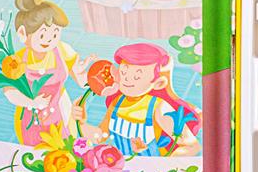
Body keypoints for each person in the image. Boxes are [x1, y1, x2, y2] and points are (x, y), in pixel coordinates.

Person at [72, 43, 201, 156]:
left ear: (158, 83)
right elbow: (100, 136)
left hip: (153, 167)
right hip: (122, 167)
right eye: (124, 72)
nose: (127, 79)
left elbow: (192, 146)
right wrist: (81, 123)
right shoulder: (117, 103)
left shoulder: (159, 107)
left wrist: (168, 165)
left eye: (137, 76)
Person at [3, 0, 95, 145]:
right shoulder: (16, 61)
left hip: (61, 113)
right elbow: (9, 91)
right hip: (31, 118)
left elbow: (81, 81)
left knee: (65, 148)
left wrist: (86, 73)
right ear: (23, 34)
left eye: (55, 33)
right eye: (43, 34)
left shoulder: (62, 50)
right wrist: (32, 103)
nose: (49, 39)